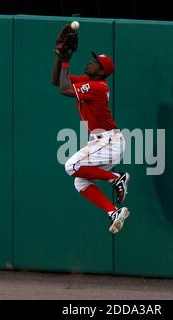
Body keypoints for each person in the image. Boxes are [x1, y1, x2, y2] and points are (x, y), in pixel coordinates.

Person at [52, 48, 130, 234]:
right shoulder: (88, 81)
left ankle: (116, 177)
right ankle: (114, 212)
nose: (91, 62)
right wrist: (59, 56)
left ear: (102, 72)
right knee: (81, 182)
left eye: (96, 63)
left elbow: (64, 89)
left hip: (109, 142)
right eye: (93, 59)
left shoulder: (98, 87)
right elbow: (58, 81)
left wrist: (66, 60)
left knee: (71, 166)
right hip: (105, 142)